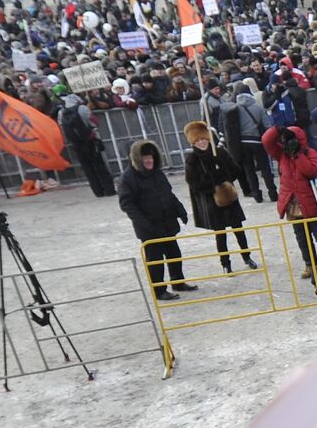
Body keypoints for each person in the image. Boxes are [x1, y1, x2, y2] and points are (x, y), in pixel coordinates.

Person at [118, 139, 197, 301]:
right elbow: (127, 204)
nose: (150, 161)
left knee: (174, 253)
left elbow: (169, 193)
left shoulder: (157, 173)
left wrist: (180, 209)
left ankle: (178, 281)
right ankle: (159, 290)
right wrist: (144, 223)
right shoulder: (128, 178)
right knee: (155, 260)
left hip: (167, 223)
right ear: (137, 159)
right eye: (146, 158)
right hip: (149, 228)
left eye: (152, 157)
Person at [182, 121, 258, 275]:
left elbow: (236, 170)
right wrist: (212, 180)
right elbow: (194, 183)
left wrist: (223, 174)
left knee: (239, 230)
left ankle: (247, 256)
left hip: (229, 197)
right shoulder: (192, 160)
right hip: (212, 201)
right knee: (220, 234)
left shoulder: (220, 152)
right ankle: (225, 263)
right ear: (193, 143)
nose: (201, 143)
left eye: (203, 139)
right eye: (197, 141)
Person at [262, 124, 317, 279]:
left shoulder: (310, 153)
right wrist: (277, 130)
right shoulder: (281, 154)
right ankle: (310, 264)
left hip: (309, 202)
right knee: (302, 237)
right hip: (292, 203)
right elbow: (266, 141)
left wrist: (297, 155)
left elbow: (311, 171)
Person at [223, 88, 277, 203]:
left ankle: (257, 195)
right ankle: (273, 193)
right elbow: (267, 125)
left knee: (249, 170)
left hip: (242, 143)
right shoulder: (258, 106)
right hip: (258, 141)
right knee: (265, 168)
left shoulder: (234, 108)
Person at [59, 94, 115, 198]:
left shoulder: (61, 112)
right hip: (89, 140)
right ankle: (109, 190)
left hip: (76, 143)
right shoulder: (82, 108)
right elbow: (93, 122)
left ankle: (98, 192)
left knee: (87, 168)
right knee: (99, 166)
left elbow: (62, 127)